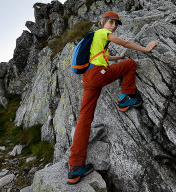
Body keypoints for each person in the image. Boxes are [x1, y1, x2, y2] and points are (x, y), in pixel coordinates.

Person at [67, 11, 159, 185]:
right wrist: (146, 48)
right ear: (103, 22)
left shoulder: (96, 38)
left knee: (84, 119)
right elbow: (124, 42)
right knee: (130, 64)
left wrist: (118, 57)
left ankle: (74, 167)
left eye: (116, 24)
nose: (113, 26)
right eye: (111, 22)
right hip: (98, 74)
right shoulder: (103, 33)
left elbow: (103, 56)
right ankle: (125, 99)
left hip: (88, 78)